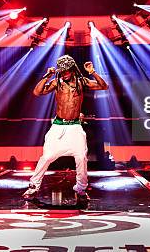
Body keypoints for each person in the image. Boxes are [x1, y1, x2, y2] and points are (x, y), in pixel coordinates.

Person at [23, 55, 108, 201]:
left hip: (75, 126)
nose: (64, 73)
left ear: (72, 69)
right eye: (62, 71)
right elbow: (37, 92)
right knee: (47, 157)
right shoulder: (57, 82)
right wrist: (47, 76)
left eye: (67, 70)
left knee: (81, 157)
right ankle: (33, 186)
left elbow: (104, 86)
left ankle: (81, 189)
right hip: (58, 126)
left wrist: (92, 72)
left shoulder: (81, 82)